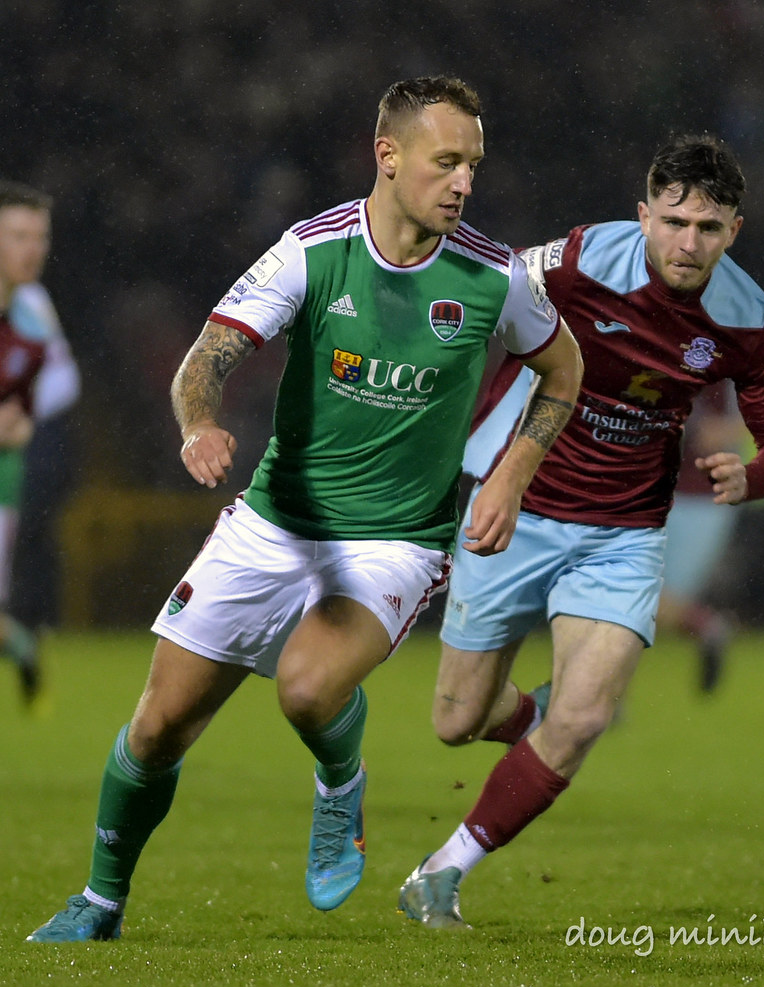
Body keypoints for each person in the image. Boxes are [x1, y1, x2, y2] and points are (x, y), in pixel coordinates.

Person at [26, 75, 582, 943]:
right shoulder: (311, 252)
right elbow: (204, 359)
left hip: (396, 539)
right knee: (159, 724)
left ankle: (340, 784)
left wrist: (512, 472)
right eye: (446, 162)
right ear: (387, 157)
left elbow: (564, 369)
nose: (464, 181)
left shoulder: (493, 275)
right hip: (274, 522)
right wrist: (199, 424)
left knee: (308, 686)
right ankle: (100, 901)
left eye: (473, 163)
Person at [398, 134, 764, 928]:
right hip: (514, 506)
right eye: (676, 221)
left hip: (623, 530)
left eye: (711, 228)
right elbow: (487, 286)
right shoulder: (581, 260)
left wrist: (750, 477)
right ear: (643, 212)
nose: (690, 243)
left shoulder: (746, 318)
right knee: (457, 721)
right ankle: (534, 712)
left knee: (584, 719)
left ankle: (443, 870)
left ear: (735, 231)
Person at [0, 182, 80, 708]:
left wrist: (22, 413)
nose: (33, 248)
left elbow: (62, 379)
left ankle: (20, 643)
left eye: (40, 236)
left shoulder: (32, 304)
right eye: (17, 235)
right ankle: (22, 644)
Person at [656, 384, 745, 693]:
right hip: (653, 491)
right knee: (630, 596)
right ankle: (605, 696)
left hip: (702, 499)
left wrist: (728, 429)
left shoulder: (735, 352)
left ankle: (707, 626)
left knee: (653, 601)